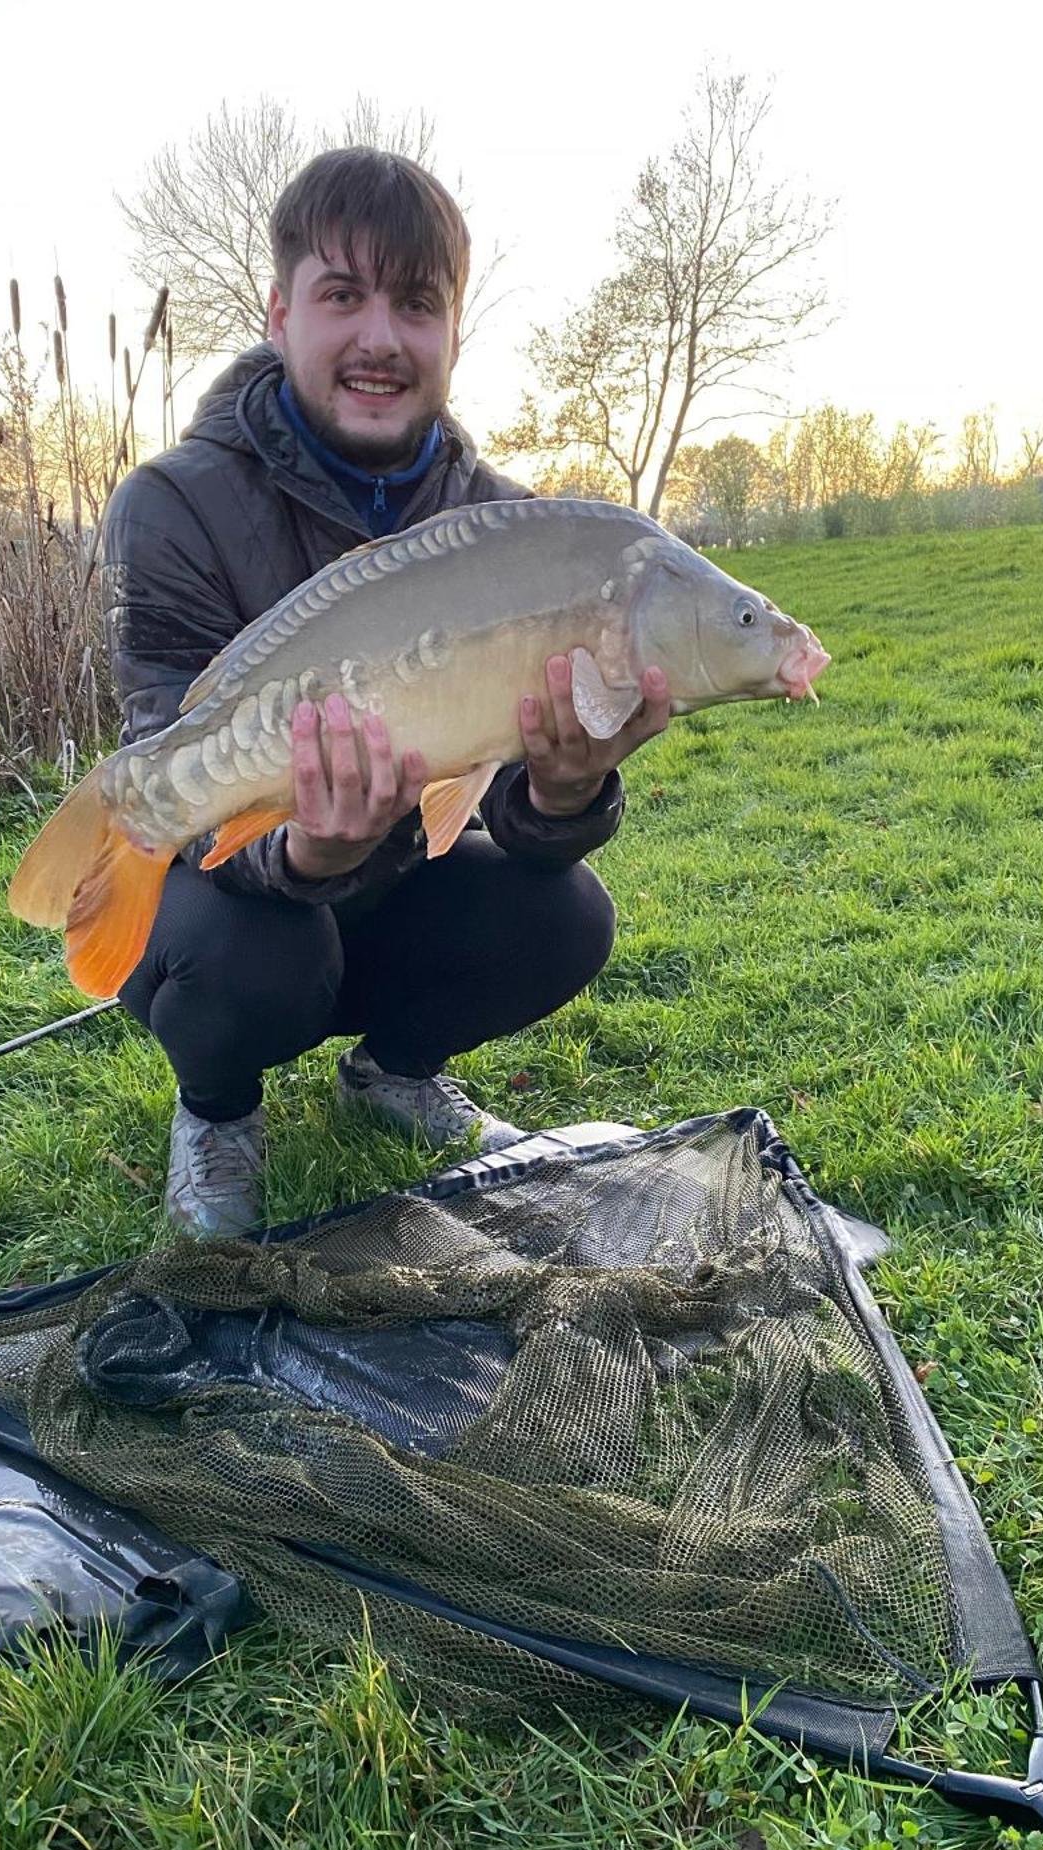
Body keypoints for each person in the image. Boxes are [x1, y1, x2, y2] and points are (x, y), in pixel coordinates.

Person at [104, 147, 670, 1236]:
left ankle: (397, 1070)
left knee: (565, 916)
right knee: (247, 953)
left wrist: (563, 790)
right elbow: (168, 773)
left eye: (416, 303)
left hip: (401, 874)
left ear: (454, 331)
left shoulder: (514, 526)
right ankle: (217, 1112)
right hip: (237, 901)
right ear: (280, 313)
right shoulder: (173, 502)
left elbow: (505, 813)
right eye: (342, 295)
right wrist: (307, 851)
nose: (380, 337)